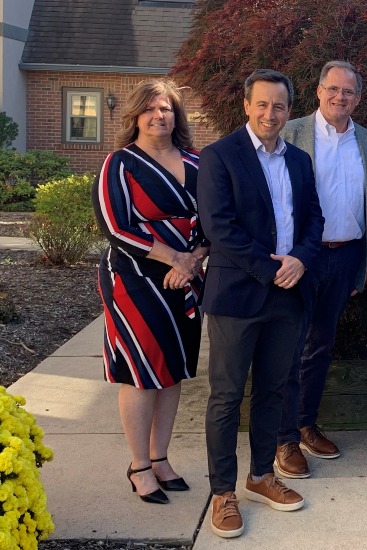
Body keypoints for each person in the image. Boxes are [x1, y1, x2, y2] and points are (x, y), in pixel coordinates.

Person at [197, 69, 324, 538]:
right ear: (247, 105)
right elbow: (219, 227)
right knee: (227, 396)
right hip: (237, 296)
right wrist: (272, 267)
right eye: (263, 105)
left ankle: (261, 477)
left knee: (275, 388)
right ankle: (223, 491)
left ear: (290, 111)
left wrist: (301, 262)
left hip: (289, 294)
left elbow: (315, 220)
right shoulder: (219, 156)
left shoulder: (299, 160)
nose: (271, 114)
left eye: (280, 106)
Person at [93, 79, 207, 505]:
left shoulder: (197, 162)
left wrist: (193, 260)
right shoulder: (120, 164)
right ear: (135, 116)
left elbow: (215, 219)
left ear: (177, 115)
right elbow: (115, 225)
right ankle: (139, 464)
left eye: (167, 108)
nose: (159, 116)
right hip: (134, 279)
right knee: (143, 372)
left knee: (172, 369)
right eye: (151, 109)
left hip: (187, 279)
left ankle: (160, 457)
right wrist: (173, 258)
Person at [274, 60, 367, 478]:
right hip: (302, 257)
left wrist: (361, 267)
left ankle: (305, 424)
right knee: (288, 345)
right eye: (333, 89)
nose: (340, 97)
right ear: (318, 91)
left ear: (358, 98)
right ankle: (283, 439)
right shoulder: (292, 131)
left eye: (348, 92)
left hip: (346, 256)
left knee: (320, 344)